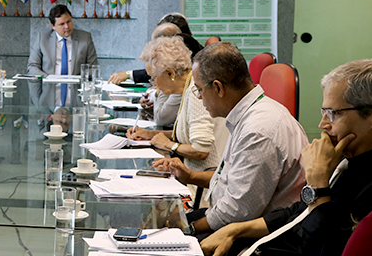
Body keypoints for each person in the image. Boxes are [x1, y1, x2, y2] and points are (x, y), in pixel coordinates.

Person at [200, 59, 372, 256]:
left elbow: (323, 248)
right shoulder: (345, 161)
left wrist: (318, 185)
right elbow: (299, 211)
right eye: (323, 112)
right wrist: (234, 230)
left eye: (333, 114)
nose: (322, 124)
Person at [157, 42, 308, 237]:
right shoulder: (250, 113)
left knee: (161, 235)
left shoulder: (257, 130)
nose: (200, 97)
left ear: (218, 88)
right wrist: (191, 176)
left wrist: (188, 229)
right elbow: (233, 178)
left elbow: (237, 213)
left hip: (251, 234)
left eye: (200, 90)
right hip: (234, 218)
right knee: (160, 224)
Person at [126, 36, 228, 205]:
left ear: (170, 73)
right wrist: (150, 134)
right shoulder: (188, 87)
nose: (154, 84)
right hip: (194, 179)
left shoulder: (196, 91)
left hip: (203, 192)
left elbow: (201, 150)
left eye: (153, 78)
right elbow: (187, 134)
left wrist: (168, 145)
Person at [27, 4, 97, 107]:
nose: (67, 27)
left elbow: (93, 68)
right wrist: (48, 78)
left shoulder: (85, 38)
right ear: (53, 26)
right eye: (62, 24)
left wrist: (79, 78)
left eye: (69, 21)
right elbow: (32, 67)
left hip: (76, 92)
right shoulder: (42, 38)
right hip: (49, 89)